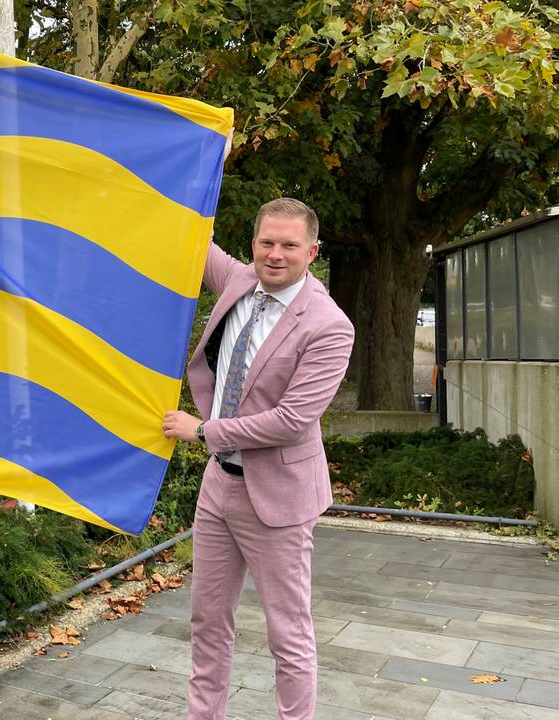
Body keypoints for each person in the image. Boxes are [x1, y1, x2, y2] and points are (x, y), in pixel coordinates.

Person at [163, 197, 354, 720]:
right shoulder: (239, 280)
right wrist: (201, 160)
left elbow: (291, 421)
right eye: (266, 242)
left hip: (278, 498)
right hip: (218, 488)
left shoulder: (329, 326)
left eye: (289, 245)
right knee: (208, 621)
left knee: (287, 634)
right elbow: (194, 235)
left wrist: (204, 431)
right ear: (253, 244)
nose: (275, 254)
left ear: (311, 251)